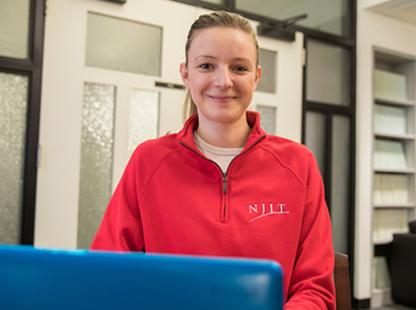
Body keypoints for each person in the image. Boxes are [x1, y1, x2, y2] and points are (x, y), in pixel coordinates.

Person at [91, 10, 336, 309]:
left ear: (257, 76)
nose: (223, 81)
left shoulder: (299, 164)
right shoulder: (148, 160)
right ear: (186, 74)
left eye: (239, 68)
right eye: (207, 65)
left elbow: (315, 289)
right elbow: (108, 271)